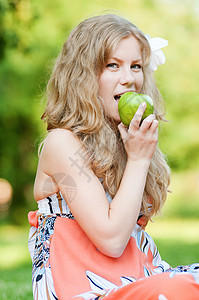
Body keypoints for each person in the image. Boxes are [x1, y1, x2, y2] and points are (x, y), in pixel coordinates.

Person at [28, 13, 199, 300]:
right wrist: (139, 160)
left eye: (135, 66)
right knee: (182, 288)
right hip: (86, 288)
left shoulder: (124, 142)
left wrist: (136, 155)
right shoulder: (61, 144)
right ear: (82, 75)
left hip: (139, 278)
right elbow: (112, 240)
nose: (129, 79)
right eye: (112, 66)